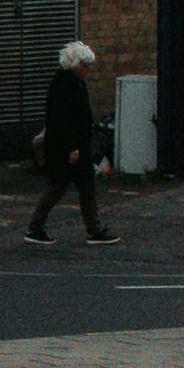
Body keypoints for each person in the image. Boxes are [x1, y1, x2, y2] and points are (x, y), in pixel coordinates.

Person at [28, 39, 117, 242]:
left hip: (74, 147)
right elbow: (61, 120)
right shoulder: (64, 85)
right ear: (76, 65)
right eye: (86, 66)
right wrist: (71, 147)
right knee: (59, 187)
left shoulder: (72, 82)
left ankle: (92, 229)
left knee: (81, 187)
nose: (89, 70)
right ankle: (37, 228)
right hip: (67, 148)